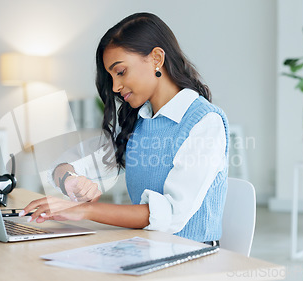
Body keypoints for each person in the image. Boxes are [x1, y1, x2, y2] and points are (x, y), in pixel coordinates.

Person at [21, 12, 229, 244]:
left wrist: (84, 210)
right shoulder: (140, 121)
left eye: (120, 72)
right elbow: (60, 167)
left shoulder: (205, 121)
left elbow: (171, 214)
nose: (116, 87)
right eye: (111, 77)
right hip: (148, 248)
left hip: (191, 258)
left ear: (156, 59)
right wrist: (70, 179)